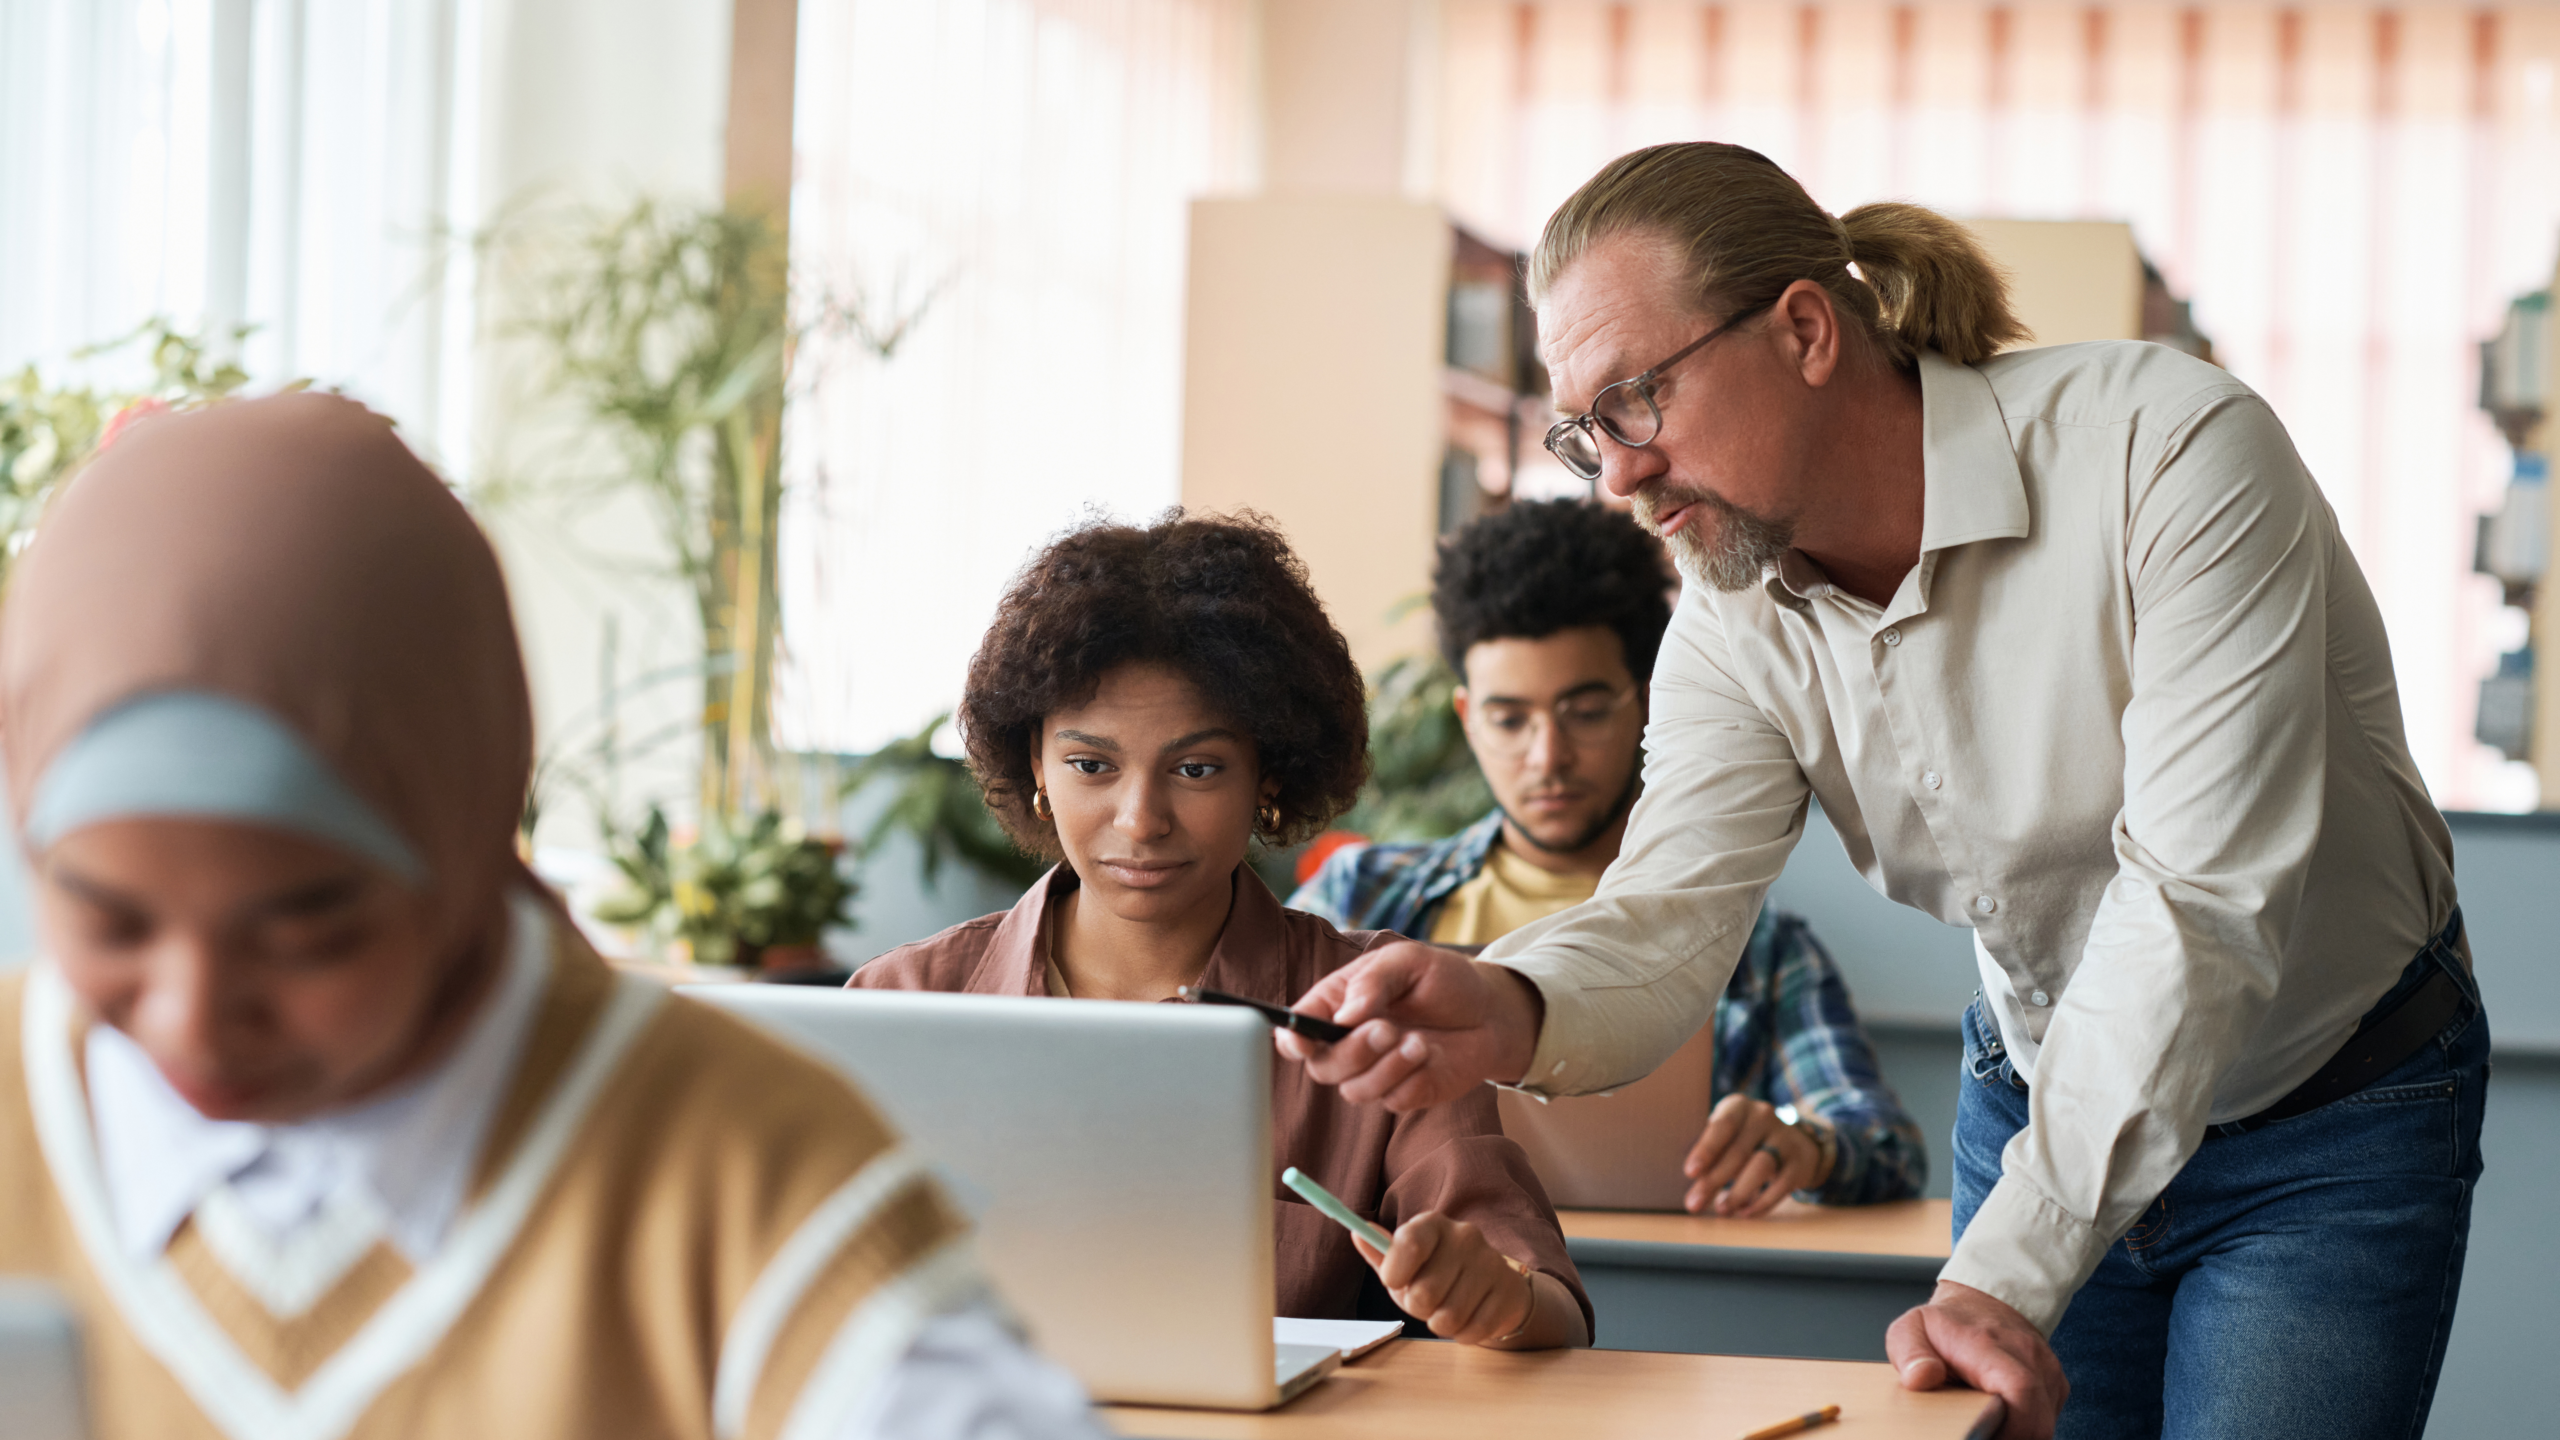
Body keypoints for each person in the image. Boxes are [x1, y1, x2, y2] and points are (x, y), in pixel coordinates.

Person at [1277, 143, 2484, 1440]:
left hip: (2325, 1117)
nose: (1617, 475)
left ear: (1803, 330)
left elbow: (2196, 901)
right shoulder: (1735, 618)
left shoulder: (2169, 452)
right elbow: (1668, 921)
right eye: (1584, 434)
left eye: (1636, 401)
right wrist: (1511, 998)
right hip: (2037, 1106)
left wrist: (2001, 1274)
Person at [0, 395, 1105, 1440]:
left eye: (306, 931)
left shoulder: (731, 1171)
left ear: (463, 837)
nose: (193, 1017)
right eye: (111, 923)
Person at [852, 512, 1592, 1350]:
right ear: (1034, 766)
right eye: (1091, 765)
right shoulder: (899, 1004)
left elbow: (1550, 1311)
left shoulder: (1376, 1014)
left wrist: (1498, 1301)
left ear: (1267, 773)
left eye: (1196, 769)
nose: (1140, 820)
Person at [1291, 498, 1924, 1215]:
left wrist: (1796, 1140)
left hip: (1657, 1290)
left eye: (1585, 711)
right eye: (1508, 719)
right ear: (1469, 719)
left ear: (1651, 703)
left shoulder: (1755, 946)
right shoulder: (1357, 900)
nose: (1547, 757)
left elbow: (1882, 1143)